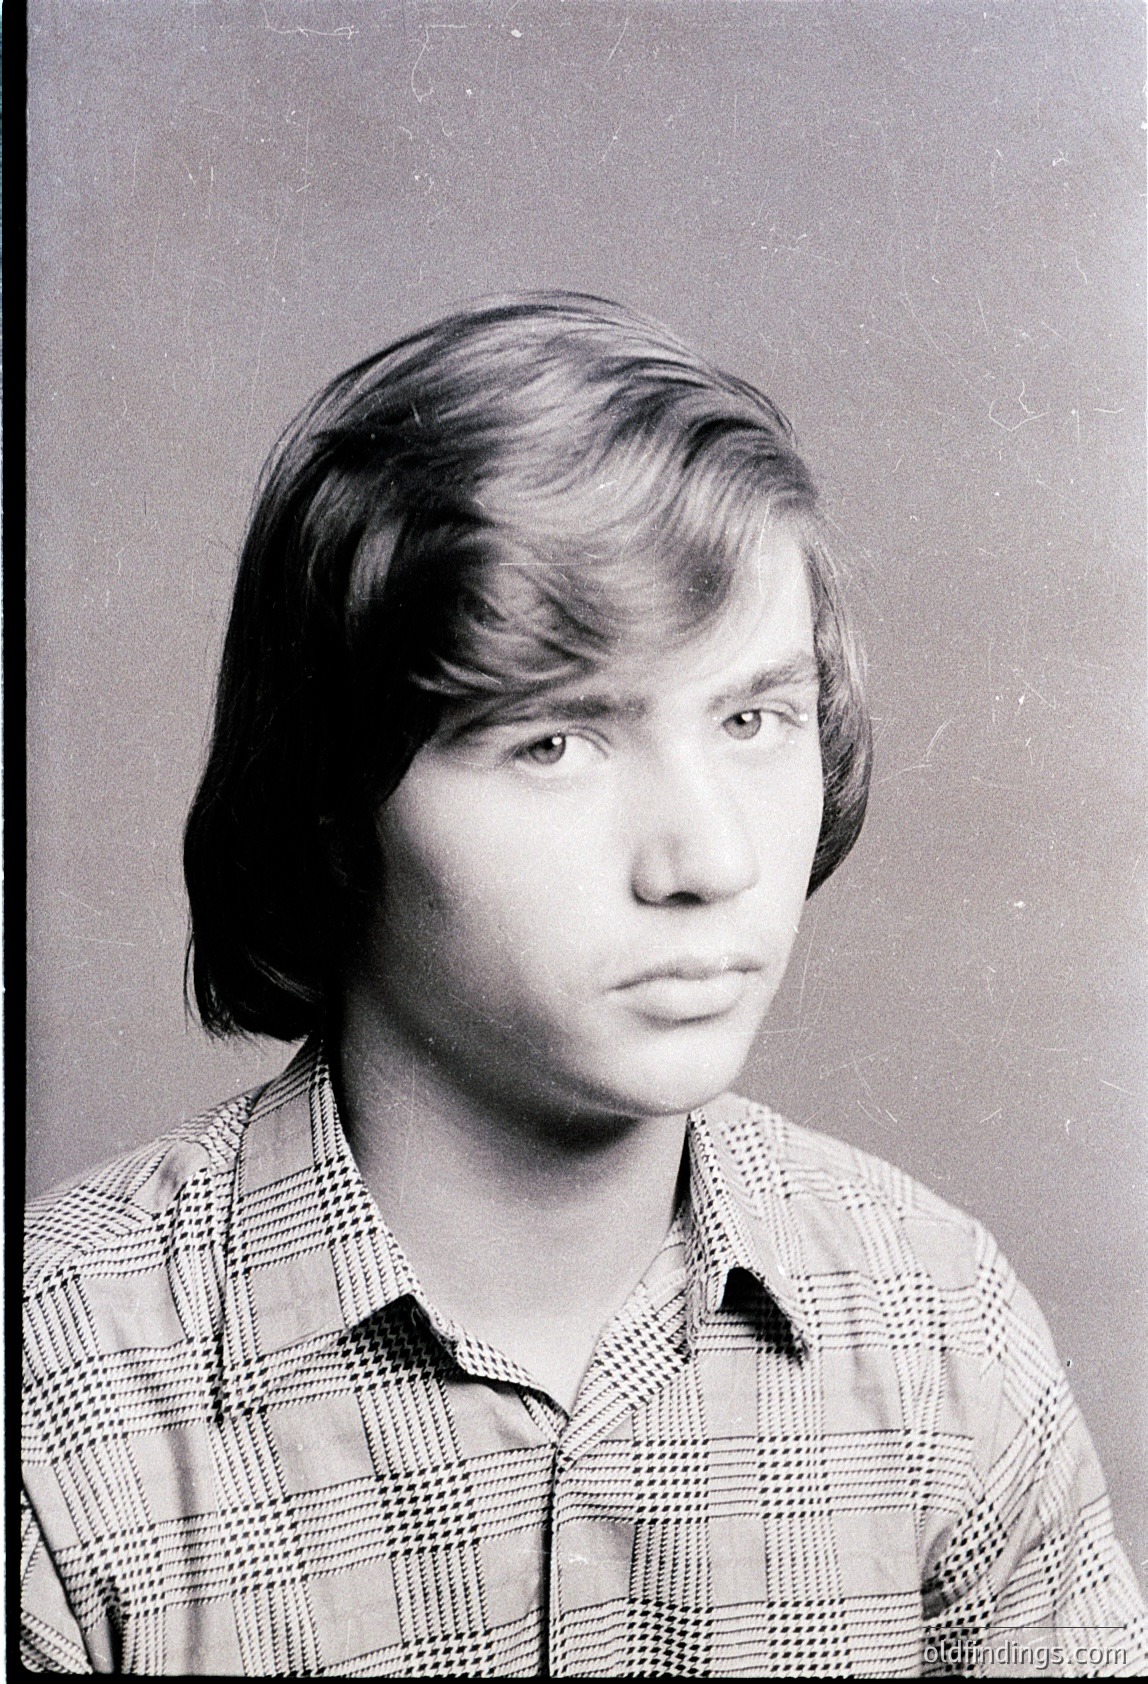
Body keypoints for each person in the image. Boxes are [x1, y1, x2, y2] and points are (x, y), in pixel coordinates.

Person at [21, 293, 1145, 1678]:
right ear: (330, 805)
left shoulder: (941, 1331)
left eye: (752, 719)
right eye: (555, 741)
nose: (709, 857)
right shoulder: (54, 1390)